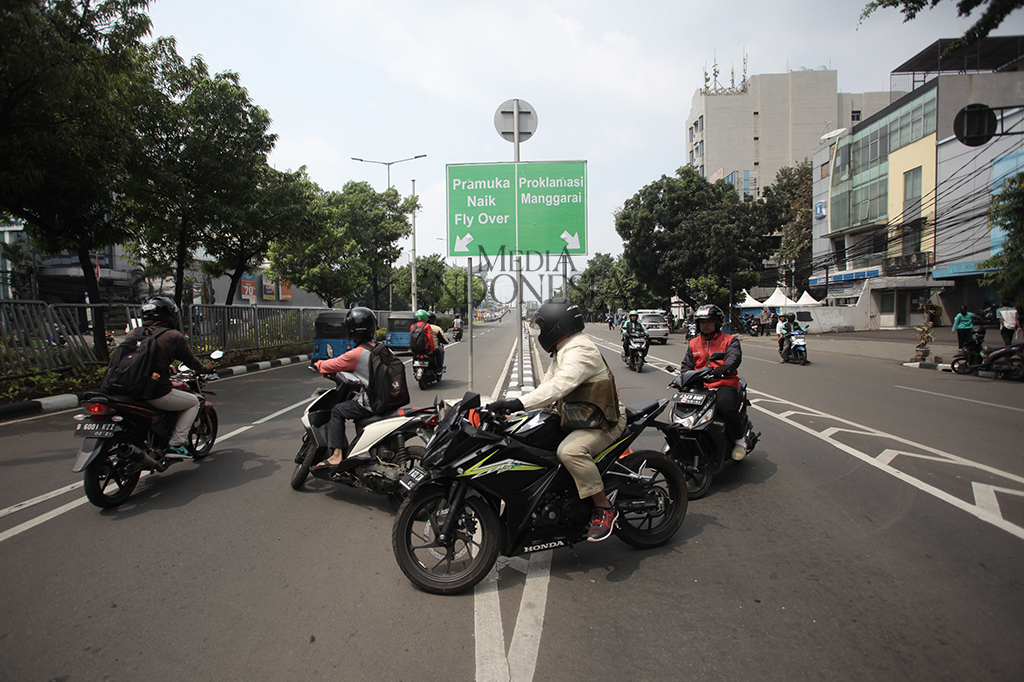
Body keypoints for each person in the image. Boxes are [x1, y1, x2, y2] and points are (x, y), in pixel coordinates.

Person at [486, 300, 626, 542]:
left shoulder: (580, 350)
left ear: (557, 325)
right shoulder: (562, 350)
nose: (541, 333)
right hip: (579, 418)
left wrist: (517, 404)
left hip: (604, 421)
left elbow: (559, 386)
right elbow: (546, 389)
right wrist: (512, 411)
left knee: (570, 451)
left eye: (543, 327)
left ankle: (604, 508)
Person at [136, 296, 212, 459]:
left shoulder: (133, 334)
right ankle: (176, 444)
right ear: (169, 316)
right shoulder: (171, 336)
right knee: (193, 402)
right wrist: (205, 368)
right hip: (150, 391)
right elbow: (191, 361)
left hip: (122, 389)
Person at [312, 307, 380, 472]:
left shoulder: (356, 354)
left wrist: (317, 364)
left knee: (337, 410)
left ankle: (336, 456)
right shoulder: (383, 349)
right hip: (392, 401)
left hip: (372, 404)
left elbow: (331, 365)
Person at [680, 304, 747, 461]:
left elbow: (734, 358)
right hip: (701, 386)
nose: (706, 325)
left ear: (717, 322)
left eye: (709, 321)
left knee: (725, 407)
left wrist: (724, 367)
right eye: (702, 322)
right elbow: (687, 365)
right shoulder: (693, 343)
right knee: (683, 407)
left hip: (724, 383)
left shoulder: (730, 341)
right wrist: (683, 379)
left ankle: (739, 440)